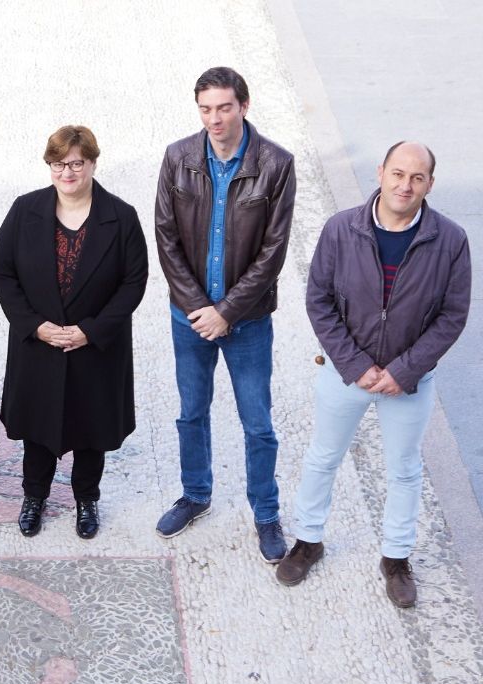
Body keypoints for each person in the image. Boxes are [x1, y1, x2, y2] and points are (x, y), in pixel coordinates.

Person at [278, 141, 470, 608]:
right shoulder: (341, 229)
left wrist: (404, 370)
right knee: (323, 456)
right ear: (380, 172)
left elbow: (452, 315)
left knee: (404, 470)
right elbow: (319, 300)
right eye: (398, 173)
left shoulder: (450, 240)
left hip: (409, 382)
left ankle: (396, 558)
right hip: (347, 373)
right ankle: (308, 540)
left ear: (429, 183)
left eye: (417, 177)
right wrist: (356, 365)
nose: (405, 185)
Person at [153, 66, 296, 562]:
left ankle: (265, 512)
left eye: (224, 107)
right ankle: (195, 495)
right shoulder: (178, 157)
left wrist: (227, 313)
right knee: (191, 413)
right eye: (206, 108)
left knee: (257, 422)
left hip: (247, 322)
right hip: (189, 318)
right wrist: (199, 308)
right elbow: (165, 238)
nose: (214, 118)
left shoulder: (276, 164)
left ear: (244, 106)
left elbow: (273, 251)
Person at [0, 125, 148, 539]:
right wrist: (33, 325)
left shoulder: (122, 217)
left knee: (90, 429)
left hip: (95, 347)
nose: (68, 172)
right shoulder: (25, 210)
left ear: (93, 163)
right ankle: (34, 496)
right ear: (49, 166)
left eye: (77, 163)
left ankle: (86, 499)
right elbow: (3, 273)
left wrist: (91, 331)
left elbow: (134, 283)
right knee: (37, 429)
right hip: (38, 343)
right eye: (59, 164)